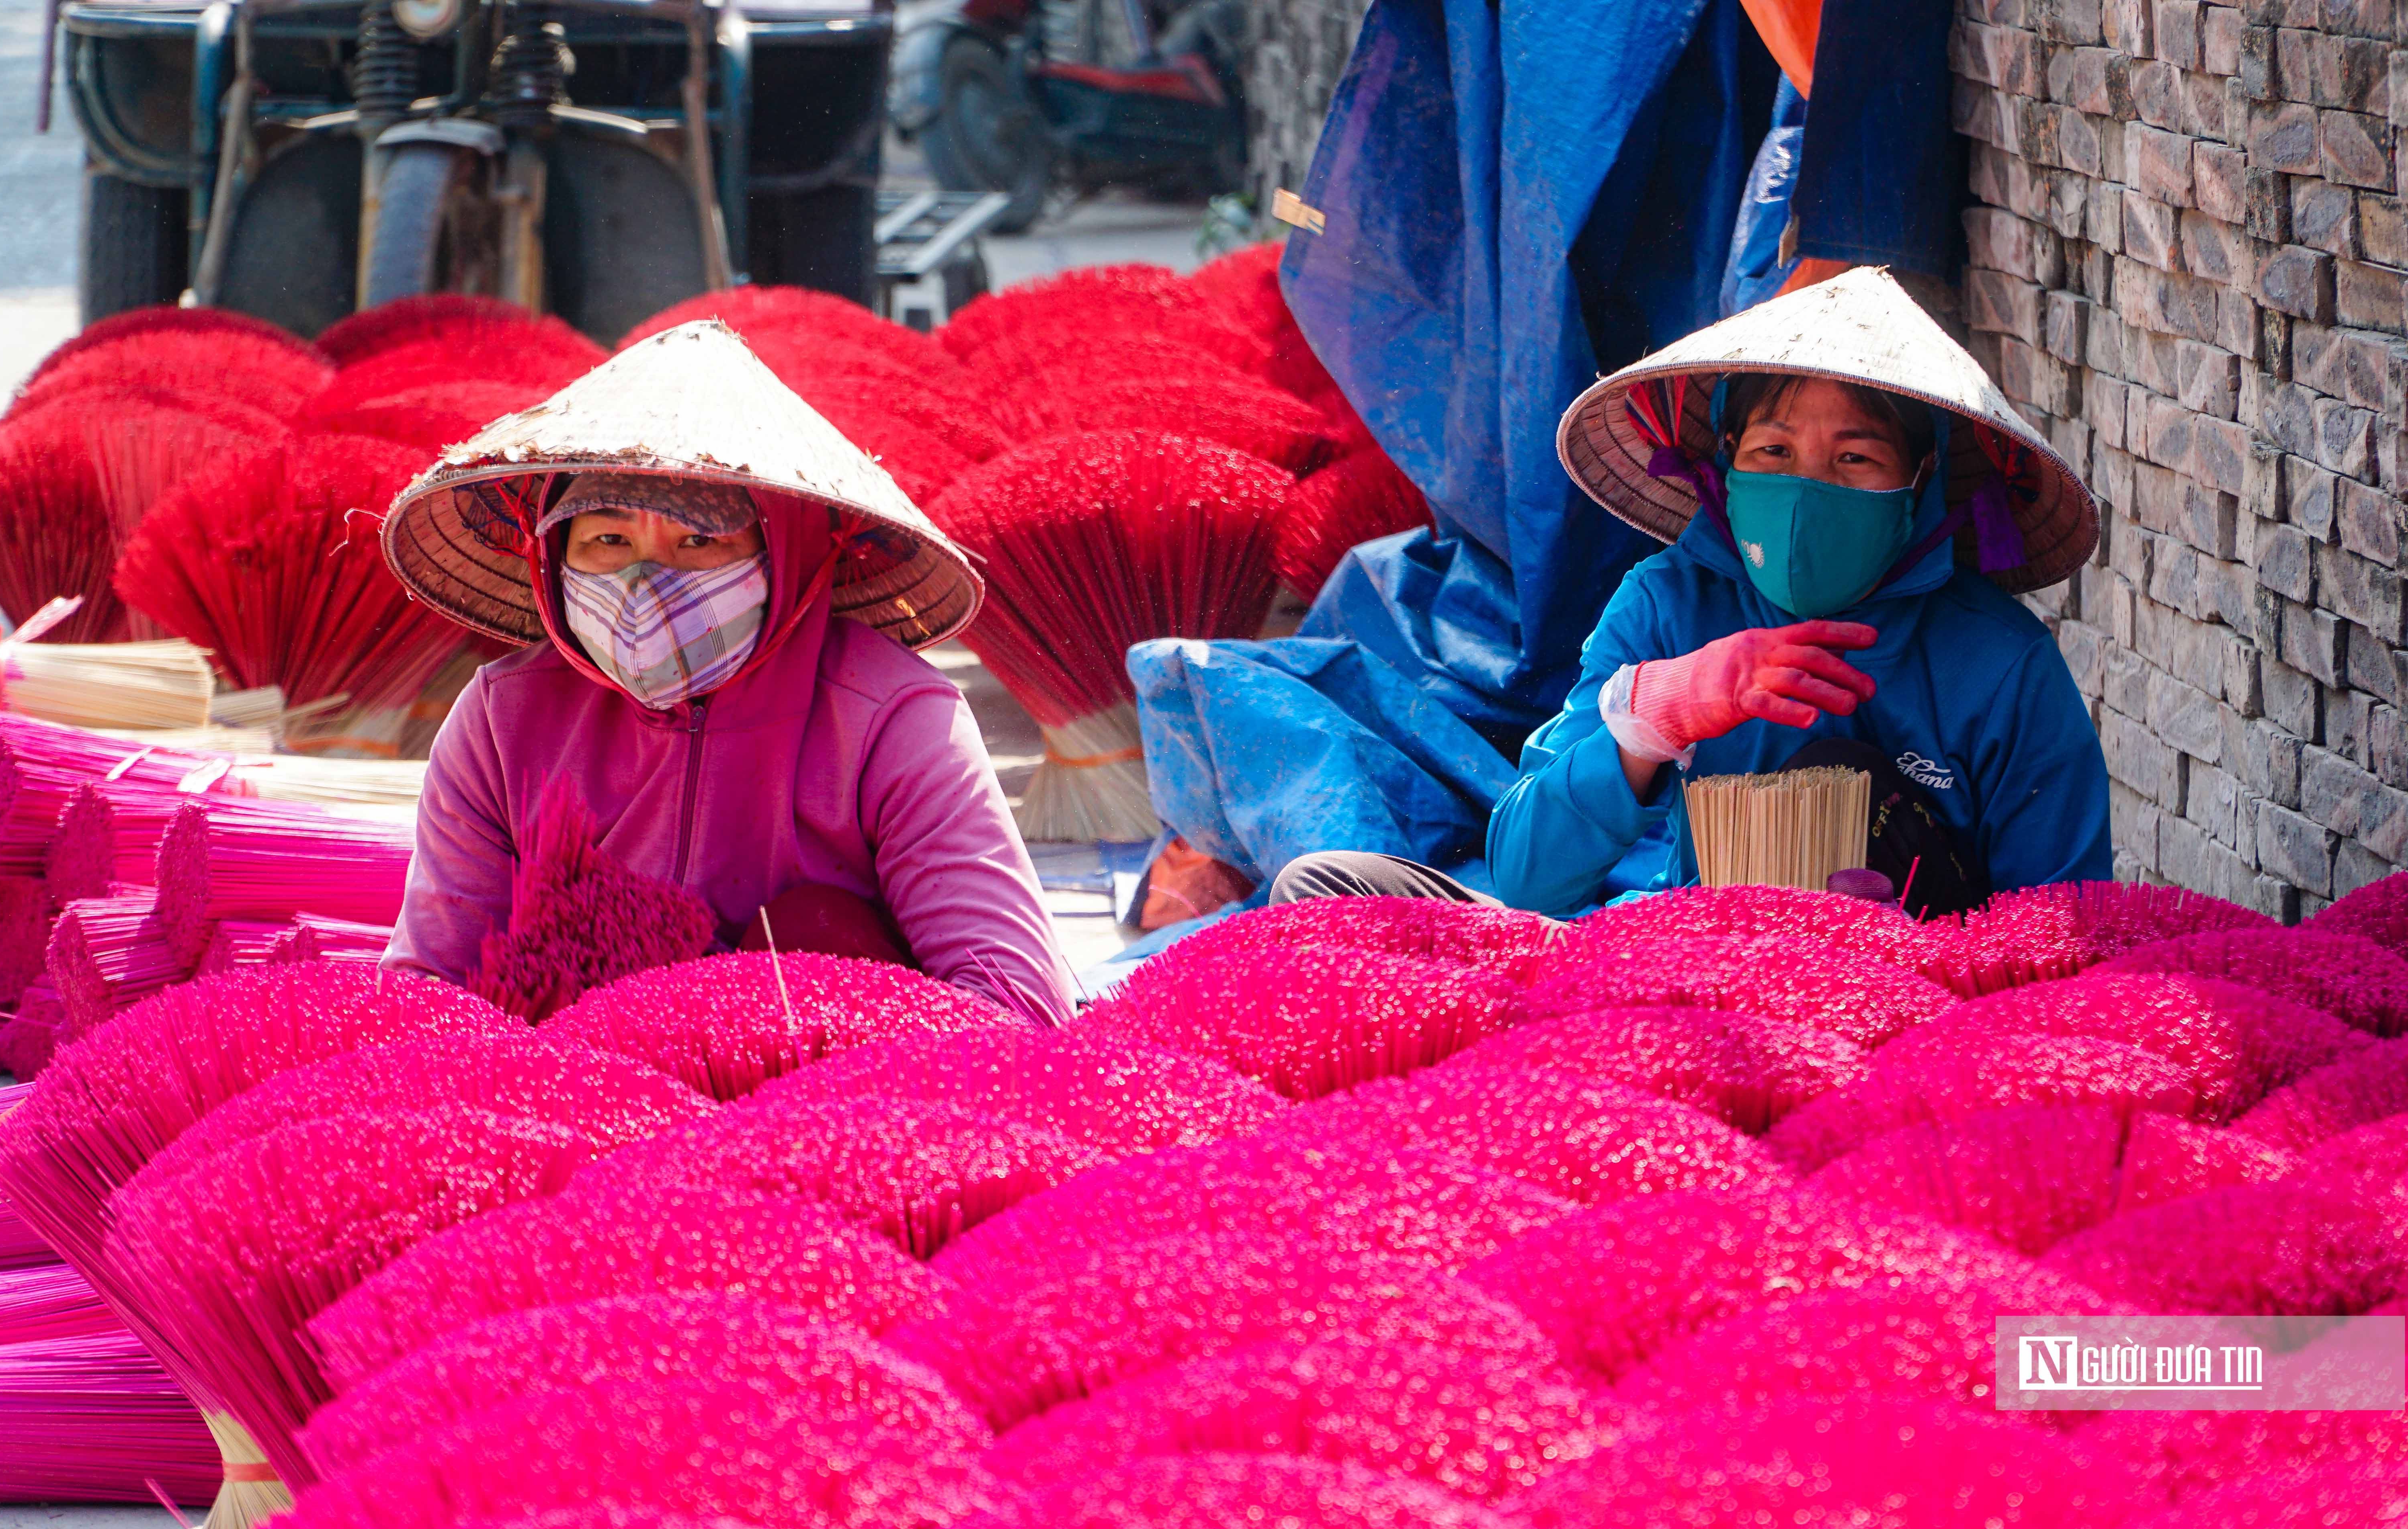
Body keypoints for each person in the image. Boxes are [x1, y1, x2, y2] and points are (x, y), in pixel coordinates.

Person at [1274, 268, 2111, 919]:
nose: (1806, 491)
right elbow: (1528, 874)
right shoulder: (1665, 609)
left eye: (1854, 459)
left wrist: (1916, 945)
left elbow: (2068, 927)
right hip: (1666, 976)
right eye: (1775, 453)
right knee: (1327, 886)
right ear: (1726, 467)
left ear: (1920, 488)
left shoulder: (2002, 666)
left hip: (1900, 1027)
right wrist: (1651, 721)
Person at [377, 320, 1076, 1024]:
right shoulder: (505, 721)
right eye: (607, 539)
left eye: (700, 539)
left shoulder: (891, 717)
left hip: (837, 1095)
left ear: (787, 553)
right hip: (576, 1092)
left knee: (814, 927)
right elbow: (431, 992)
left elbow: (1016, 1005)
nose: (645, 585)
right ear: (553, 557)